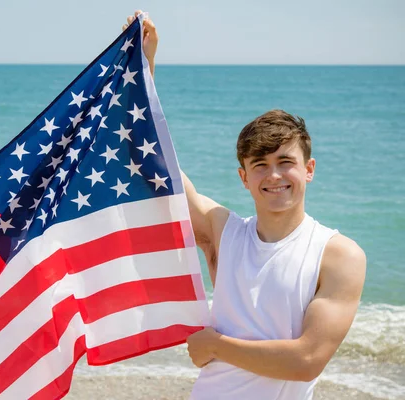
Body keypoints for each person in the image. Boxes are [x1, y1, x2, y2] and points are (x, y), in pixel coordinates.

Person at [123, 11, 366, 400]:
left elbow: (306, 361)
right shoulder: (223, 231)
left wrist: (217, 346)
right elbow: (157, 169)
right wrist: (144, 68)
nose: (274, 176)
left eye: (286, 162)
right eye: (260, 166)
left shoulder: (337, 254)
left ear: (309, 170)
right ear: (243, 177)